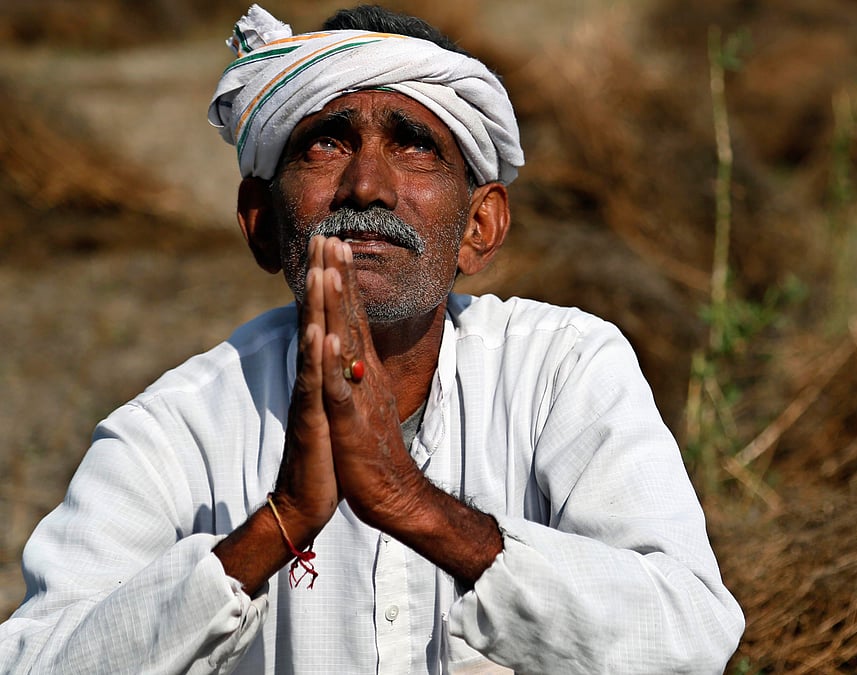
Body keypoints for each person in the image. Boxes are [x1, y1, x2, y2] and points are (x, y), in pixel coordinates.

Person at [0, 4, 745, 673]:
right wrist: (276, 526)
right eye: (326, 144)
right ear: (261, 223)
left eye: (414, 145)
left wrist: (412, 503)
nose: (367, 186)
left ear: (478, 229)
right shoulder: (173, 434)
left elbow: (688, 635)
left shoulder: (565, 371)